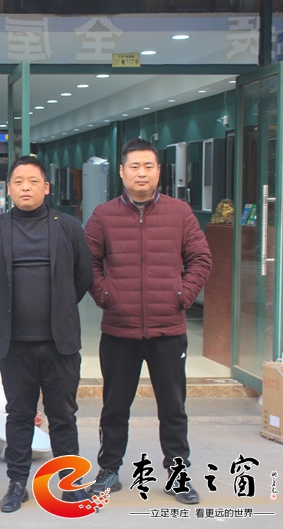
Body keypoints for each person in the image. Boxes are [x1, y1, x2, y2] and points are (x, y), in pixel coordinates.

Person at [84, 138, 212, 504]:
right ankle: (109, 470)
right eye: (134, 167)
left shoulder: (179, 213)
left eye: (148, 166)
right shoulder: (104, 215)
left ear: (158, 172)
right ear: (122, 172)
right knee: (114, 407)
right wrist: (105, 296)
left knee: (173, 408)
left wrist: (182, 296)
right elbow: (87, 261)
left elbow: (201, 258)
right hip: (119, 330)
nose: (141, 173)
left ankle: (178, 474)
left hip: (168, 330)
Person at [0, 155, 93, 513]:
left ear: (46, 187)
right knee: (19, 415)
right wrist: (9, 309)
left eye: (33, 181)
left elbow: (82, 277)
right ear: (8, 189)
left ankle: (70, 482)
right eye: (18, 182)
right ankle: (16, 484)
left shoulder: (68, 227)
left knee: (63, 415)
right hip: (15, 344)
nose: (26, 187)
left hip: (60, 342)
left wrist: (59, 309)